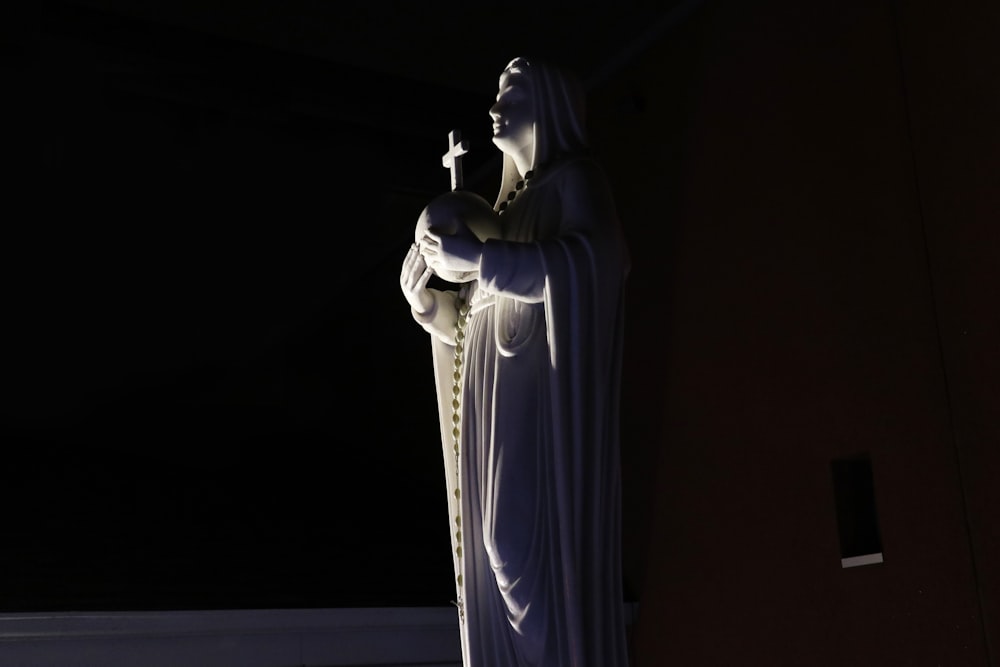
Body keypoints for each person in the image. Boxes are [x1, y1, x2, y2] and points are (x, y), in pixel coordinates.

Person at [400, 56, 630, 667]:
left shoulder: (576, 181)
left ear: (550, 105)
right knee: (487, 551)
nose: (498, 102)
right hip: (491, 402)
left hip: (538, 402)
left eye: (514, 90)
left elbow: (594, 263)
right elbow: (475, 323)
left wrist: (480, 261)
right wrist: (430, 306)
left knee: (513, 545)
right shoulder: (502, 211)